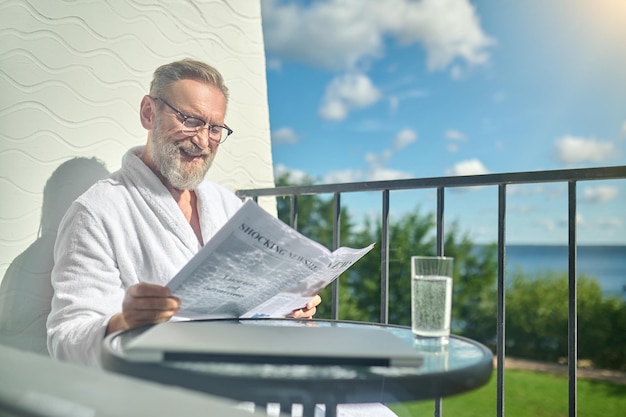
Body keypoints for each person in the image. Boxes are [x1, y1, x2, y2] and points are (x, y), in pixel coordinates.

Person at [47, 59, 321, 367]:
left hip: (242, 374)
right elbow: (65, 338)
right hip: (162, 389)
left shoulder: (225, 204)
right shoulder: (96, 211)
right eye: (190, 120)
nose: (203, 141)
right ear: (149, 113)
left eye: (215, 128)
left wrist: (286, 306)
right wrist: (122, 323)